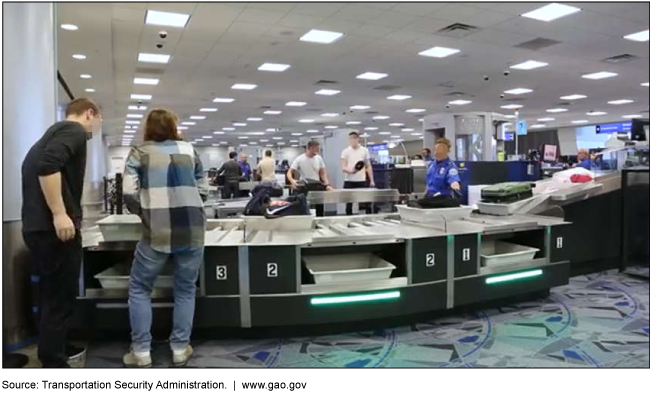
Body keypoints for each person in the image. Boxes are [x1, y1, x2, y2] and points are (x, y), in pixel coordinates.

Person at [121, 109, 208, 368]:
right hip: (192, 228)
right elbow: (203, 185)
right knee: (185, 289)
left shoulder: (139, 152)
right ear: (173, 126)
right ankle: (180, 348)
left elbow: (128, 191)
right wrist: (193, 204)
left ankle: (141, 352)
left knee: (139, 288)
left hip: (156, 230)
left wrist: (142, 211)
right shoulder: (189, 150)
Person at [21, 97, 102, 368]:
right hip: (53, 230)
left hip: (36, 227)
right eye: (97, 122)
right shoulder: (74, 130)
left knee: (51, 294)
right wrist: (59, 213)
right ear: (89, 113)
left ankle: (55, 346)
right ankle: (54, 362)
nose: (95, 129)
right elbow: (48, 165)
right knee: (61, 296)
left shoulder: (50, 134)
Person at [287, 141, 333, 216]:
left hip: (317, 185)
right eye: (316, 148)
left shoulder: (319, 158)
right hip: (305, 185)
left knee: (320, 206)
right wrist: (292, 181)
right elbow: (289, 172)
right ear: (309, 148)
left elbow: (323, 173)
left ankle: (319, 220)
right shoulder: (300, 159)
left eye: (318, 148)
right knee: (302, 205)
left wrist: (327, 184)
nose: (317, 150)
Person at [341, 131, 375, 215]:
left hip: (361, 180)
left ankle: (368, 219)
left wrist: (371, 180)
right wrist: (351, 171)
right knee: (349, 204)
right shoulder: (345, 151)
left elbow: (368, 166)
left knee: (366, 202)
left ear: (358, 139)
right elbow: (343, 167)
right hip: (349, 181)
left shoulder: (364, 150)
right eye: (350, 139)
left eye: (354, 138)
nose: (352, 140)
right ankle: (348, 220)